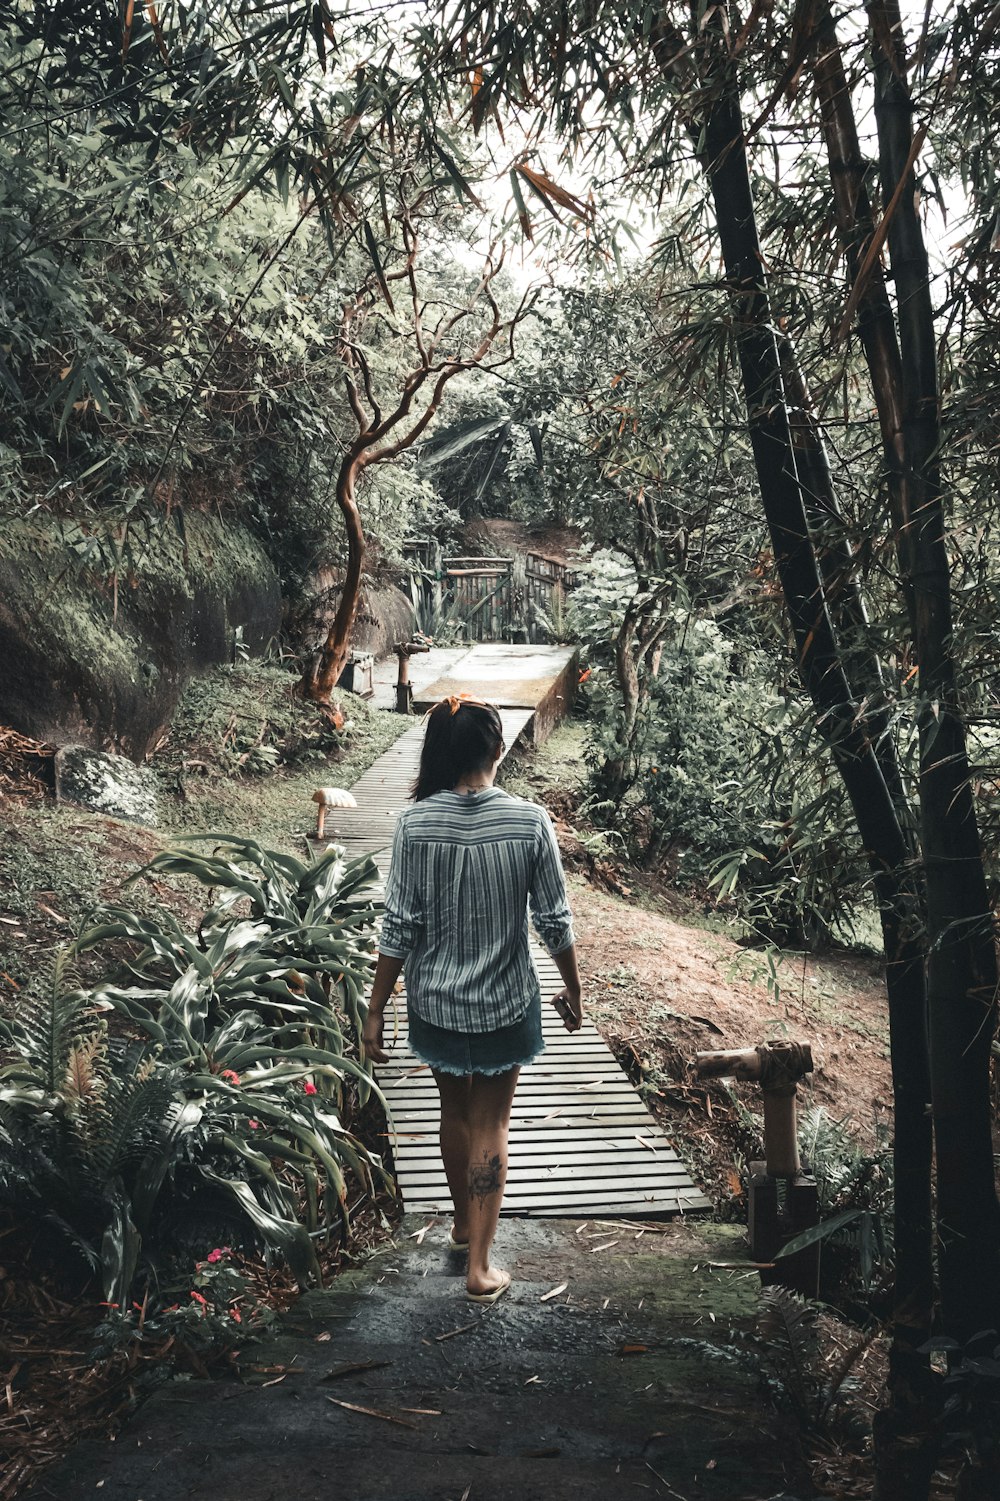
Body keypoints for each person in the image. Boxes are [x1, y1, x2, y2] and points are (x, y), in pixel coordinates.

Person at [362, 695, 582, 1304]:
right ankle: (480, 1266)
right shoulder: (530, 822)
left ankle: (462, 1224)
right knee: (492, 1121)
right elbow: (555, 920)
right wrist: (573, 985)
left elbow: (398, 926)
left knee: (452, 1113)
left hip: (435, 1000)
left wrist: (377, 1007)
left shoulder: (414, 825)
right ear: (495, 749)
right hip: (505, 1000)